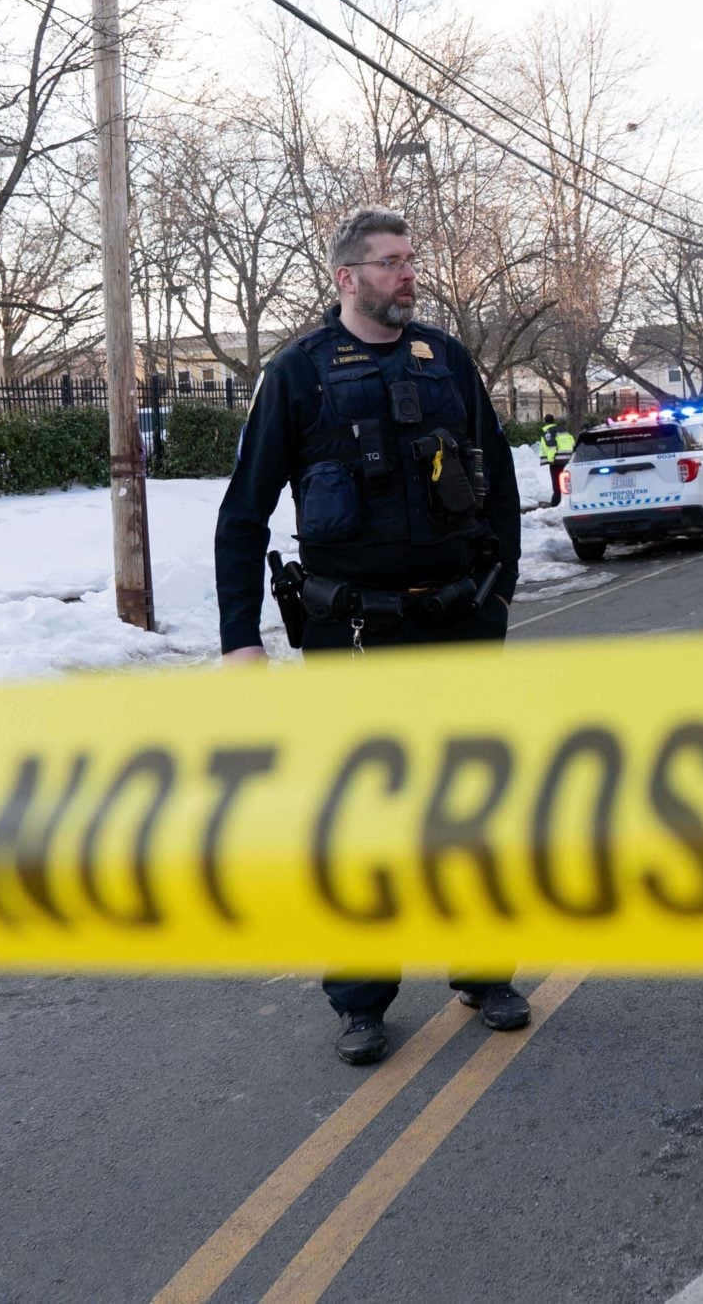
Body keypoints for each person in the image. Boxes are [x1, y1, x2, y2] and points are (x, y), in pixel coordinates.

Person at [214, 207, 531, 1067]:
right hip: (353, 632)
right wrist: (238, 634)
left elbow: (499, 478)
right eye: (391, 262)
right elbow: (244, 512)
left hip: (460, 619)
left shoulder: (448, 361)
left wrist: (499, 587)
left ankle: (483, 970)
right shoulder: (300, 375)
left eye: (411, 260)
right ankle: (361, 999)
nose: (408, 274)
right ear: (346, 277)